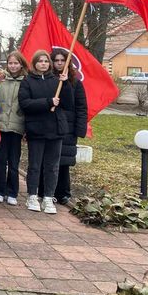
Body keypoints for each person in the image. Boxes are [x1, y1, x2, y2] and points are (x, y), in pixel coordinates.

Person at [18, 49, 68, 215]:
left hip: (55, 129)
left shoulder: (58, 81)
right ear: (34, 63)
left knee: (52, 166)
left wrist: (66, 84)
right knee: (35, 165)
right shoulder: (27, 81)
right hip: (37, 129)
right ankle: (32, 195)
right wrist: (48, 102)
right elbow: (25, 103)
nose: (43, 64)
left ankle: (48, 197)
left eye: (46, 61)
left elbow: (68, 103)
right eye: (40, 61)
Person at [44, 48, 87, 205]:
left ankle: (63, 192)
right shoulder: (47, 80)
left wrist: (79, 128)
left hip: (67, 128)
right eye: (56, 61)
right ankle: (45, 191)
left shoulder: (75, 83)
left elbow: (81, 107)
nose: (60, 63)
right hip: (49, 125)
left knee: (63, 162)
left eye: (63, 60)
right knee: (47, 159)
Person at [0, 51, 28, 206]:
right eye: (11, 63)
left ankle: (12, 191)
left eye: (16, 63)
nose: (13, 66)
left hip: (16, 127)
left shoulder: (26, 81)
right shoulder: (2, 80)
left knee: (13, 162)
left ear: (21, 64)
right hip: (0, 126)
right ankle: (0, 190)